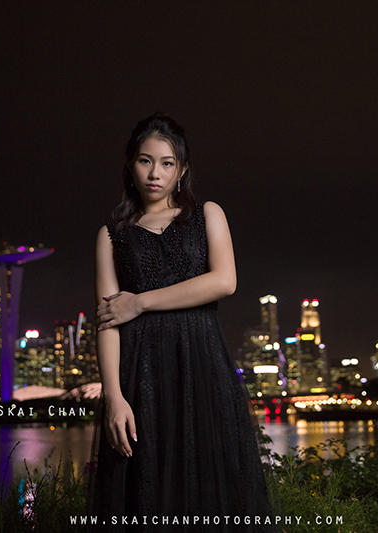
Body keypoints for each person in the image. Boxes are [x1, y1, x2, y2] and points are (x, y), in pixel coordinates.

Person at [87, 113, 278, 531]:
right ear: (129, 164)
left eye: (167, 163)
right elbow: (107, 322)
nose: (155, 173)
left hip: (202, 367)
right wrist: (114, 399)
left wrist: (139, 303)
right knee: (146, 489)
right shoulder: (111, 235)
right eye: (145, 161)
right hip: (141, 375)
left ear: (182, 170)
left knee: (212, 486)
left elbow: (224, 281)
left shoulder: (207, 215)